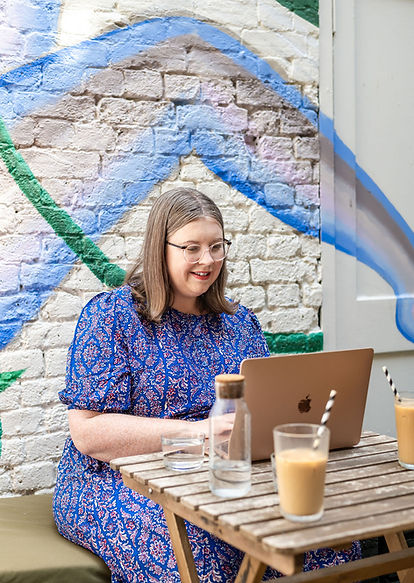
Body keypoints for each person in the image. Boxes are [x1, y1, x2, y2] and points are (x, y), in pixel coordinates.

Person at [53, 187, 361, 582]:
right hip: (111, 482)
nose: (208, 260)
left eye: (217, 247)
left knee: (323, 544)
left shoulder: (238, 322)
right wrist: (199, 432)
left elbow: (263, 409)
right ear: (159, 248)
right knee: (197, 550)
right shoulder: (111, 316)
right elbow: (88, 434)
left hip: (216, 475)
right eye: (192, 248)